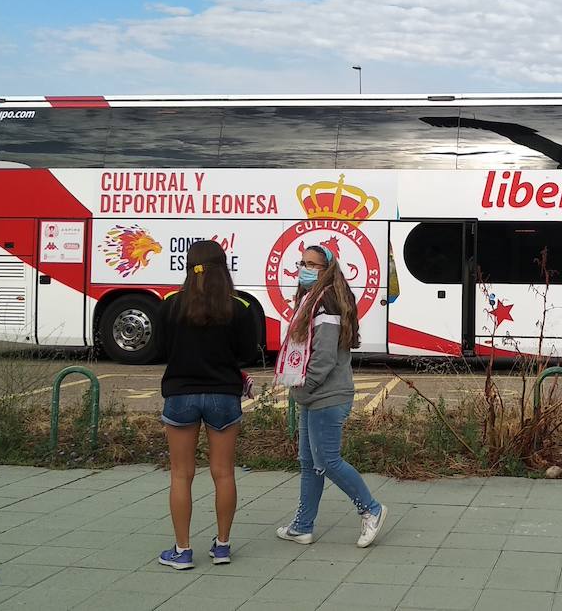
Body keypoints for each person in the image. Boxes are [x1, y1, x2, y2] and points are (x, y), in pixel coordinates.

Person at [276, 245, 388, 548]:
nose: (305, 269)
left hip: (327, 394)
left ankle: (371, 509)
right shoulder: (311, 301)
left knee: (326, 460)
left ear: (328, 270)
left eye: (313, 265)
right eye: (303, 263)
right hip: (315, 395)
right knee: (309, 462)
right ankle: (302, 526)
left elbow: (324, 358)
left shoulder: (325, 304)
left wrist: (303, 388)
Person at [156, 239, 257, 570]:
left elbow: (161, 349)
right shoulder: (238, 306)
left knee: (181, 475)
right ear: (223, 266)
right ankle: (223, 546)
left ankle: (182, 551)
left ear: (188, 265)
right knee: (223, 473)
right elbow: (246, 353)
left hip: (181, 394)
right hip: (224, 396)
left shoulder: (171, 304)